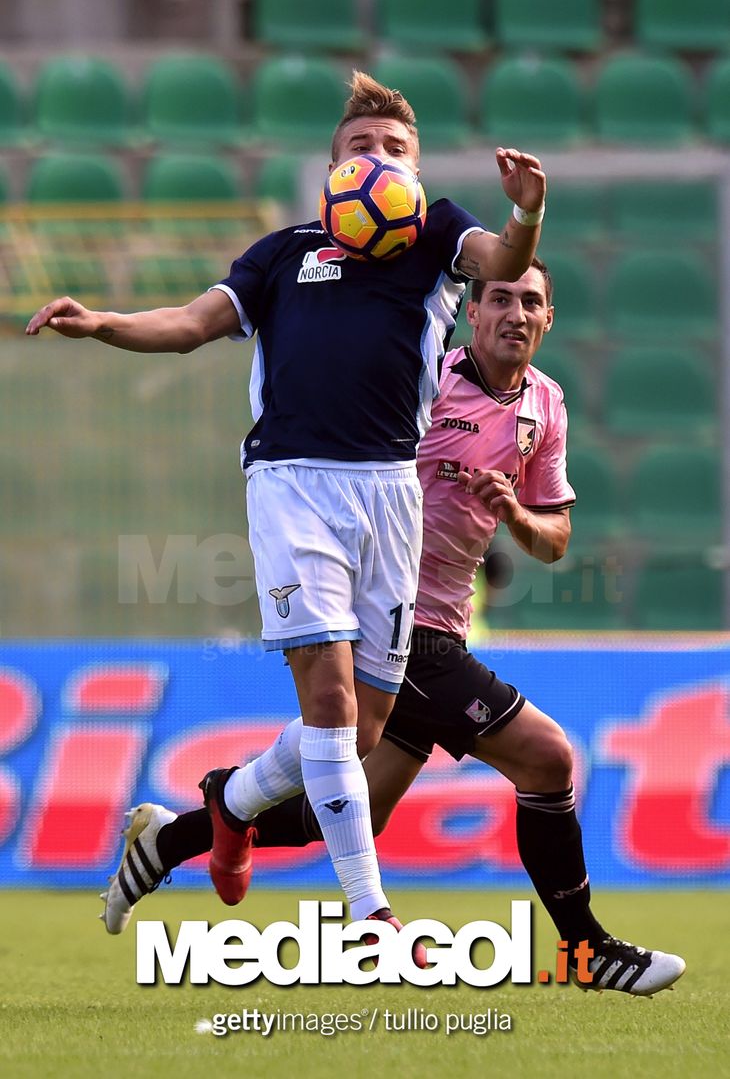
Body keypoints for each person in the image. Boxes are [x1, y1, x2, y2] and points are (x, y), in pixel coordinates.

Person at [26, 72, 547, 940]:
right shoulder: (280, 255)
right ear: (333, 170)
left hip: (391, 494)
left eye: (395, 150)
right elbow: (191, 323)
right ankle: (370, 912)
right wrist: (106, 322)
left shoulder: (436, 235)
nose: (378, 159)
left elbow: (504, 262)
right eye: (360, 147)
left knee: (363, 723)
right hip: (293, 484)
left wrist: (526, 212)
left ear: (416, 174)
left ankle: (225, 804)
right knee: (332, 703)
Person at [95, 259, 685, 997]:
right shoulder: (425, 379)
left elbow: (555, 540)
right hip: (391, 617)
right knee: (547, 759)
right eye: (500, 298)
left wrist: (513, 513)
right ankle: (587, 949)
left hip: (443, 625)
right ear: (473, 313)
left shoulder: (546, 404)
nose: (515, 313)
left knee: (350, 812)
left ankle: (175, 835)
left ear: (548, 319)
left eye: (531, 302)